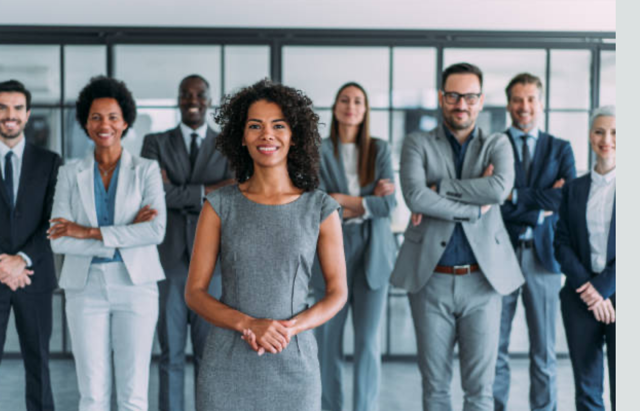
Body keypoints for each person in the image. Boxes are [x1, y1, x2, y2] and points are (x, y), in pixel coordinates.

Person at [184, 79, 348, 411]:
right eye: (255, 126)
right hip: (226, 367)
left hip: (294, 362)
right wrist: (248, 324)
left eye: (278, 126)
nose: (266, 134)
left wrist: (290, 329)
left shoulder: (320, 208)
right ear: (241, 137)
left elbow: (337, 292)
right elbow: (195, 292)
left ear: (294, 135)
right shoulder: (219, 205)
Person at [391, 62, 524, 411]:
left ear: (480, 101)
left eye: (469, 96)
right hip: (430, 281)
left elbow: (498, 189)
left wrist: (442, 189)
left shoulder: (499, 144)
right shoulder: (416, 143)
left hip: (483, 283)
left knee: (480, 390)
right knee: (434, 388)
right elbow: (415, 197)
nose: (460, 104)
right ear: (441, 97)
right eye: (453, 95)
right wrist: (471, 207)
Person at [48, 76, 166, 411]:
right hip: (84, 288)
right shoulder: (70, 174)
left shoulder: (146, 170)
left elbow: (155, 232)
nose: (105, 125)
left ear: (125, 121)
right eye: (96, 117)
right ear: (85, 122)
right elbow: (58, 240)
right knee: (92, 394)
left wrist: (87, 232)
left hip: (136, 286)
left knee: (133, 394)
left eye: (113, 117)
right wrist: (126, 233)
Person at [141, 74, 233, 411]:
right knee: (171, 355)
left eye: (200, 94)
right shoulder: (155, 143)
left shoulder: (228, 144)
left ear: (209, 100)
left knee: (210, 358)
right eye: (186, 94)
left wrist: (177, 191)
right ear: (178, 99)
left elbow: (235, 191)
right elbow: (154, 193)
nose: (193, 100)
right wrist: (210, 191)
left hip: (214, 263)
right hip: (169, 260)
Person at [493, 73, 577, 411]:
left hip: (544, 260)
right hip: (499, 257)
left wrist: (516, 197)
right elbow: (493, 198)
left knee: (544, 351)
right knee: (494, 350)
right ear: (509, 103)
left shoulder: (560, 148)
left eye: (530, 99)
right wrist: (540, 201)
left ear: (540, 104)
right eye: (517, 99)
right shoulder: (493, 144)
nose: (523, 107)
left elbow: (566, 199)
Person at [311, 82, 396, 411]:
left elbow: (389, 207)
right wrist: (368, 200)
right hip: (331, 249)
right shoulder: (317, 150)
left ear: (365, 109)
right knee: (329, 343)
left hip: (374, 250)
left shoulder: (380, 149)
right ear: (335, 107)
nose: (351, 106)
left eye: (358, 101)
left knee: (368, 342)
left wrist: (342, 200)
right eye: (345, 100)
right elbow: (317, 204)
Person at [0, 79, 61, 411]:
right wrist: (2, 264)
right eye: (3, 107)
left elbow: (53, 220)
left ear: (27, 113)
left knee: (38, 365)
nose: (10, 115)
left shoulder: (49, 161)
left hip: (33, 275)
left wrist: (20, 260)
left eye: (17, 108)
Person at [554, 106, 615, 411]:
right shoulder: (574, 189)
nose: (607, 139)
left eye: (616, 132)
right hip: (580, 297)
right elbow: (561, 243)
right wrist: (589, 290)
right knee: (587, 390)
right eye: (600, 131)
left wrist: (604, 287)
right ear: (590, 137)